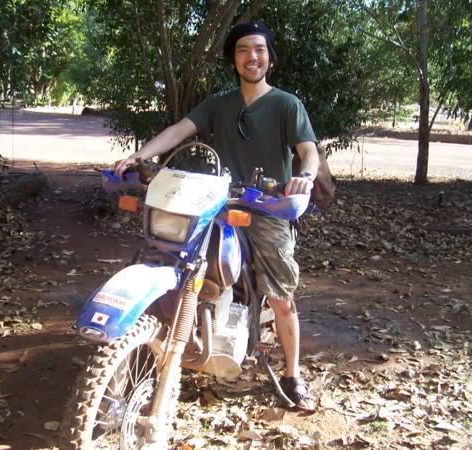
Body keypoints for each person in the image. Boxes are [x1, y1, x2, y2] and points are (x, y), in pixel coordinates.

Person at [114, 21, 319, 411]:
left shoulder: (286, 104)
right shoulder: (219, 104)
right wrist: (140, 156)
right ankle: (163, 343)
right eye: (243, 50)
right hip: (216, 204)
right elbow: (179, 130)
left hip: (266, 210)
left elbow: (308, 151)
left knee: (280, 296)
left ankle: (292, 375)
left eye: (259, 49)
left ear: (270, 59)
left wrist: (304, 178)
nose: (251, 57)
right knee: (174, 262)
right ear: (233, 60)